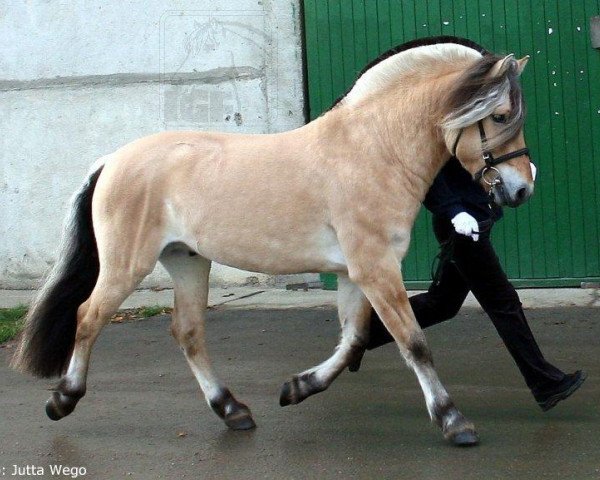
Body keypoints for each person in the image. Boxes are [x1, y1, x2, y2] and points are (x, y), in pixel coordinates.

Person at [359, 157, 586, 411]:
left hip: (477, 220)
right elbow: (430, 172)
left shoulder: (479, 122)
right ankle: (545, 384)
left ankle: (361, 335)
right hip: (461, 228)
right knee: (504, 303)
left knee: (442, 303)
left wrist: (522, 166)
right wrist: (455, 211)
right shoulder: (445, 123)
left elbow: (494, 153)